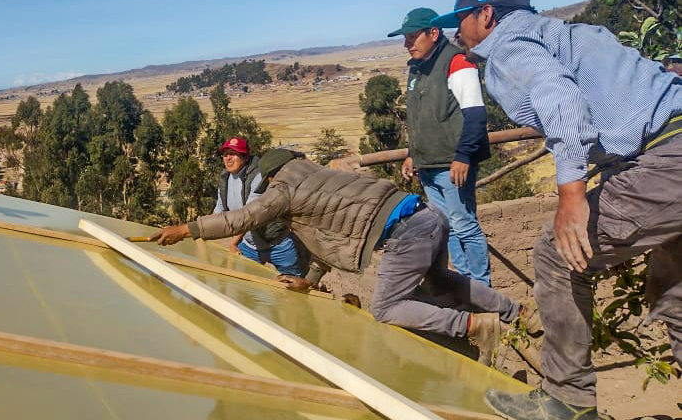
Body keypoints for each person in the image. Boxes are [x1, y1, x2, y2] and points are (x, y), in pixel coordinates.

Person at [432, 0, 682, 420]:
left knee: (557, 252)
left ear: (486, 14)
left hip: (668, 158)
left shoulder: (509, 46)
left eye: (461, 20)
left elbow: (561, 100)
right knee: (675, 287)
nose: (456, 31)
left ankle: (568, 400)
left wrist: (572, 193)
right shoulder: (571, 35)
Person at [155, 148, 530, 364]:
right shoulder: (322, 178)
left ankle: (474, 326)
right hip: (427, 214)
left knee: (385, 308)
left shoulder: (284, 190)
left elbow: (241, 218)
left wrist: (187, 229)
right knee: (441, 280)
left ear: (269, 178)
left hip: (406, 233)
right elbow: (328, 244)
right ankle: (516, 312)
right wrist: (309, 282)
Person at [388, 7, 492, 285]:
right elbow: (418, 117)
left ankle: (482, 289)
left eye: (412, 37)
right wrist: (413, 154)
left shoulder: (457, 62)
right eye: (405, 38)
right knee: (448, 228)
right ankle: (463, 286)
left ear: (433, 33)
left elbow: (475, 114)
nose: (407, 44)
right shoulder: (417, 69)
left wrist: (463, 156)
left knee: (465, 226)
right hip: (428, 164)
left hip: (452, 164)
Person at [212, 137, 307, 278]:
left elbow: (251, 214)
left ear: (245, 157)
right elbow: (218, 210)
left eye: (233, 154)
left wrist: (234, 243)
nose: (228, 158)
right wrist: (201, 232)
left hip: (278, 244)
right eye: (225, 154)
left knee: (293, 282)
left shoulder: (257, 177)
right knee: (243, 284)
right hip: (249, 246)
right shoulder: (224, 179)